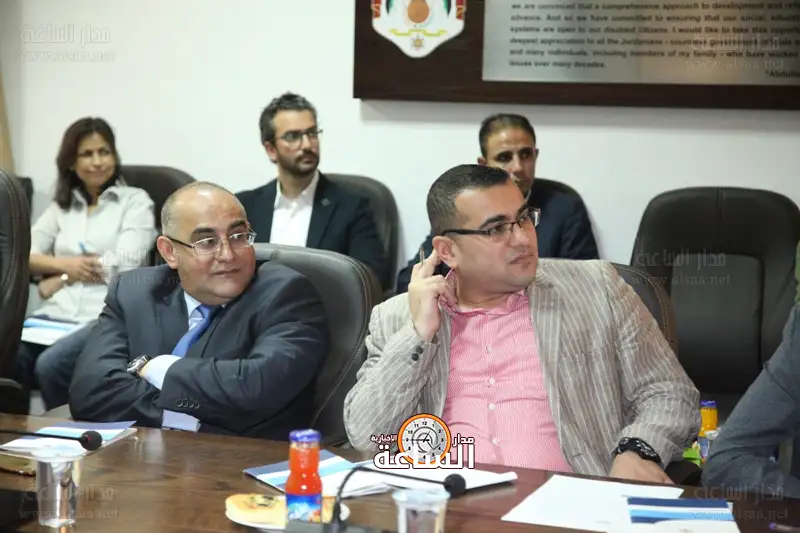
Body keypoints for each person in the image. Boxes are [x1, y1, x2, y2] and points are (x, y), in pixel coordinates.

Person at [344, 164, 699, 483]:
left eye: (524, 218)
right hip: (450, 511)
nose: (523, 238)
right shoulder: (397, 318)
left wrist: (637, 451)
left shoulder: (598, 289)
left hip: (574, 507)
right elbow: (367, 437)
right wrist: (418, 334)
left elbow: (669, 392)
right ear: (448, 251)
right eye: (496, 229)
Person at [69, 182, 329, 439]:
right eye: (207, 242)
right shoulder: (133, 292)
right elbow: (89, 391)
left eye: (238, 236)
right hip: (139, 456)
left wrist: (159, 369)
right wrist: (184, 418)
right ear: (169, 252)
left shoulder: (286, 293)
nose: (227, 255)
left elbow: (257, 387)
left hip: (241, 460)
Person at [14, 117, 156, 411]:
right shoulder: (62, 206)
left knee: (52, 364)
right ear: (71, 162)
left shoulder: (135, 201)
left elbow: (126, 262)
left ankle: (67, 432)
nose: (97, 161)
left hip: (103, 314)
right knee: (9, 356)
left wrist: (59, 276)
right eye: (86, 154)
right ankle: (15, 433)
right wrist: (68, 267)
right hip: (55, 315)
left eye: (104, 152)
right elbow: (23, 253)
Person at [395, 113, 598, 294]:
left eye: (526, 154)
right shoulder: (464, 207)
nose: (518, 167)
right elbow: (409, 284)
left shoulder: (564, 206)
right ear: (484, 164)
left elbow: (586, 282)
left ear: (536, 156)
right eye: (504, 157)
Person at [237, 92, 390, 290]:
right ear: (271, 149)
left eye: (311, 133)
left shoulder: (352, 207)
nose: (307, 145)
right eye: (293, 136)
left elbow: (371, 277)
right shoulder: (245, 207)